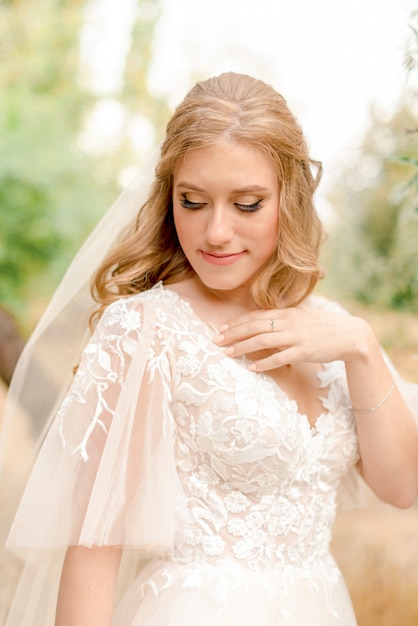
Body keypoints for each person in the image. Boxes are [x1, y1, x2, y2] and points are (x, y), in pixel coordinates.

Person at [1, 72, 417, 626]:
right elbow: (94, 551)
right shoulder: (145, 329)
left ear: (288, 199)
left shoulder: (333, 329)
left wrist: (362, 348)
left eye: (246, 204)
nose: (215, 232)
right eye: (193, 201)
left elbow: (401, 487)